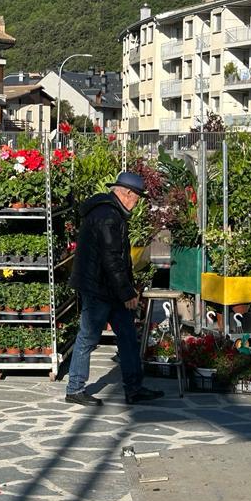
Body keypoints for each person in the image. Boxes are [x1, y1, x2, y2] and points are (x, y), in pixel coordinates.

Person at [64, 171, 164, 406]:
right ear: (127, 194)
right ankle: (75, 388)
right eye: (137, 198)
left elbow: (114, 259)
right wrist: (127, 292)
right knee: (89, 337)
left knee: (128, 337)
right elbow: (112, 259)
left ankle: (134, 387)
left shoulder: (108, 212)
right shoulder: (109, 216)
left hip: (107, 287)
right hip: (100, 288)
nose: (137, 203)